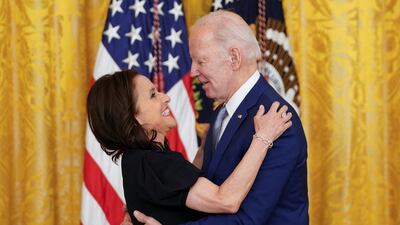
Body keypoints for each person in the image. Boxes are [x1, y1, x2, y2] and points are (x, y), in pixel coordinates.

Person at [132, 10, 309, 225]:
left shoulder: (278, 121)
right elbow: (205, 196)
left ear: (233, 58)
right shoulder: (221, 113)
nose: (193, 72)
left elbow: (248, 220)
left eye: (200, 61)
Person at [87, 70, 292, 225]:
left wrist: (204, 150)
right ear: (133, 117)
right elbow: (226, 200)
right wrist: (263, 138)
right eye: (152, 95)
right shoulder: (154, 163)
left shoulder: (138, 160)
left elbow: (174, 193)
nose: (165, 97)